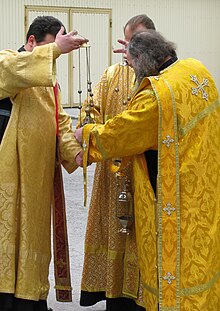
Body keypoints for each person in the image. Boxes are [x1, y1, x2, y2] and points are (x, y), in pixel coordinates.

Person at [75, 30, 220, 311]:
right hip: (204, 192)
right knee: (203, 260)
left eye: (131, 63)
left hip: (174, 200)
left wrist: (87, 135)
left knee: (176, 270)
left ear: (142, 61)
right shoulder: (195, 69)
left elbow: (124, 131)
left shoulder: (157, 94)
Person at [0, 16, 88, 311]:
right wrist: (54, 51)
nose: (55, 58)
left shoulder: (50, 82)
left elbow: (60, 122)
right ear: (32, 42)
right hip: (7, 176)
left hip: (37, 179)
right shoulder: (8, 60)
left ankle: (30, 301)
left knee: (32, 243)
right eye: (53, 48)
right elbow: (9, 73)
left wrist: (75, 151)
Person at [77, 15, 156, 311]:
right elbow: (92, 107)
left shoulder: (161, 77)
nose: (133, 48)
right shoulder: (111, 74)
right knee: (114, 230)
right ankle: (114, 292)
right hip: (112, 175)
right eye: (130, 41)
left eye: (141, 41)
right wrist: (88, 123)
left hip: (145, 174)